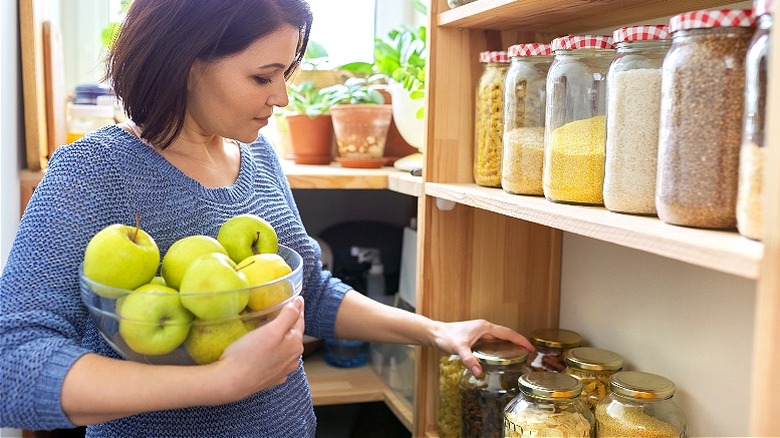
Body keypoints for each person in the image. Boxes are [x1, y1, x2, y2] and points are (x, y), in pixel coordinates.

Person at [0, 0, 534, 436]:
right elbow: (13, 369)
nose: (281, 97)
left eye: (287, 74)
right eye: (262, 77)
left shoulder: (257, 157)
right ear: (186, 61)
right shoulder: (92, 171)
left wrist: (437, 331)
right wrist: (219, 382)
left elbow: (311, 294)